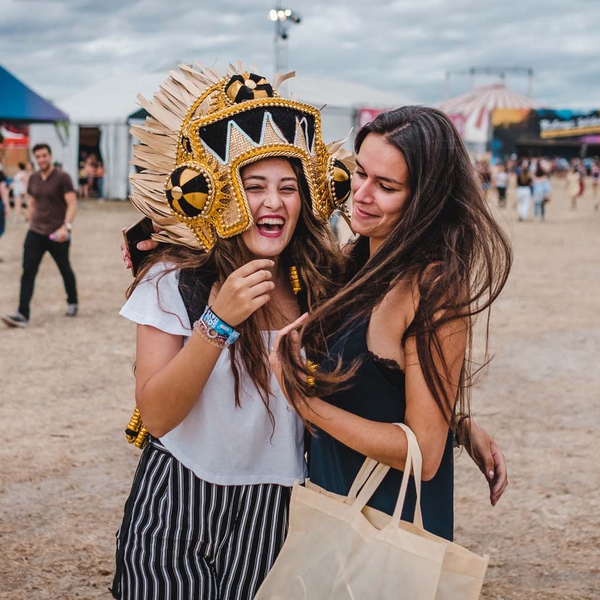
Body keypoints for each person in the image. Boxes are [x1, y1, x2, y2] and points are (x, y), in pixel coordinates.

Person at [113, 67, 507, 600]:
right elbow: (156, 416)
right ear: (223, 188)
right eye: (253, 186)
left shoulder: (321, 280)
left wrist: (453, 422)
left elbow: (376, 377)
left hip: (278, 507)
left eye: (288, 187)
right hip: (179, 496)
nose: (273, 202)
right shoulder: (176, 279)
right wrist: (217, 321)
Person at [270, 106, 512, 542]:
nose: (361, 194)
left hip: (387, 528)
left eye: (386, 186)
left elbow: (424, 451)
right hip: (336, 507)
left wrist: (306, 406)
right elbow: (385, 391)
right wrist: (457, 421)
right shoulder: (354, 264)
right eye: (360, 173)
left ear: (425, 200)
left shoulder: (434, 287)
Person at [1, 144, 78, 328]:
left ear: (50, 156)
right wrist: (31, 216)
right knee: (28, 271)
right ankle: (22, 313)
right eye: (38, 156)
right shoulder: (33, 178)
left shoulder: (62, 177)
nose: (41, 159)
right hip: (35, 232)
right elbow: (32, 200)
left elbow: (72, 204)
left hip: (57, 233)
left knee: (64, 268)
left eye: (44, 155)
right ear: (35, 158)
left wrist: (65, 228)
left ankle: (72, 302)